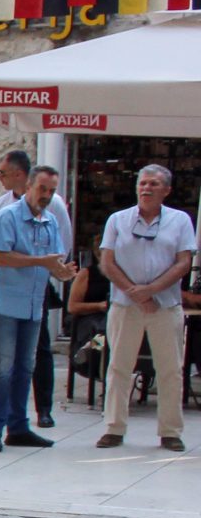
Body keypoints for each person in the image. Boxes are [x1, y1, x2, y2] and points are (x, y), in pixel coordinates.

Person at [95, 164, 194, 451]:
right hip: (126, 304)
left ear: (166, 190)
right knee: (119, 366)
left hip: (165, 305)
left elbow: (183, 262)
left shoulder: (180, 220)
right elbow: (107, 261)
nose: (146, 188)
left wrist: (151, 290)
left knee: (170, 369)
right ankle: (114, 427)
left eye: (153, 184)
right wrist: (135, 292)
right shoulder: (118, 219)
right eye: (142, 183)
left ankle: (170, 431)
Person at [0, 166, 74, 452]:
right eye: (42, 189)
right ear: (28, 187)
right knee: (3, 369)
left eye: (51, 191)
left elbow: (54, 262)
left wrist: (63, 273)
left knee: (26, 368)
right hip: (7, 304)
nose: (46, 196)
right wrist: (42, 262)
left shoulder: (50, 221)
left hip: (35, 305)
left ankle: (18, 427)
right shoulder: (8, 216)